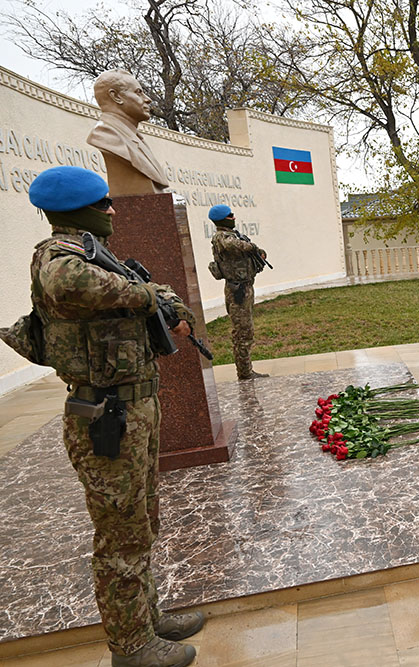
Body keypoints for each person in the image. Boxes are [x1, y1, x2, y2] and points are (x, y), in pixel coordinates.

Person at [23, 166, 203, 667]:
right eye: (103, 204)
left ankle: (145, 618)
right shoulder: (59, 259)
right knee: (119, 536)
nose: (112, 210)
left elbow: (151, 288)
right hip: (105, 415)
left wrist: (162, 300)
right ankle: (131, 646)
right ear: (79, 211)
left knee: (141, 523)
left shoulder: (97, 256)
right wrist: (148, 296)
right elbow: (77, 286)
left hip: (136, 407)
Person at [209, 204, 270, 380]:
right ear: (223, 219)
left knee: (246, 330)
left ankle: (246, 370)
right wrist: (252, 247)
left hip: (245, 287)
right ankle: (244, 373)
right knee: (243, 332)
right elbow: (234, 245)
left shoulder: (233, 235)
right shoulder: (222, 237)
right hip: (237, 291)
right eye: (231, 216)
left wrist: (258, 253)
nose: (234, 218)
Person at [86, 69, 169, 195]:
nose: (147, 99)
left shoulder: (134, 137)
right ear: (116, 97)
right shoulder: (105, 135)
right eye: (138, 92)